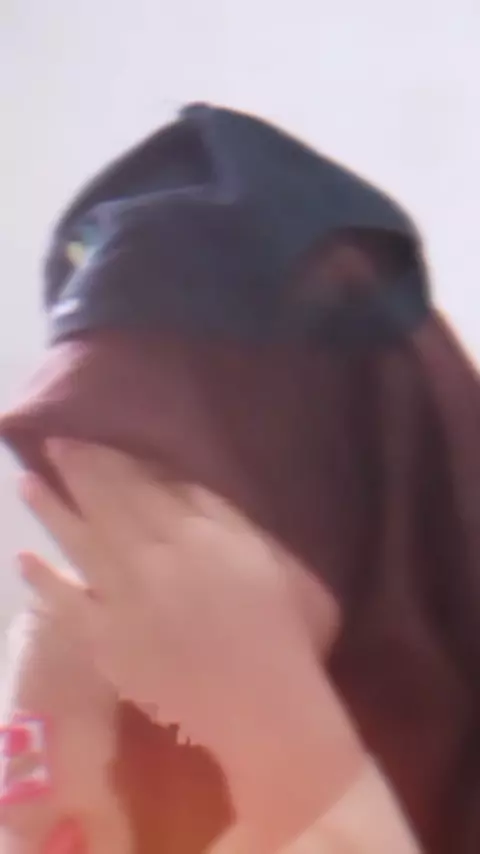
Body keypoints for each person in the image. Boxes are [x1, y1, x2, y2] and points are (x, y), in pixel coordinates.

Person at [0, 103, 479, 853]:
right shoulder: (112, 723)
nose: (122, 554)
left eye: (169, 481)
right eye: (79, 493)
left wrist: (299, 772)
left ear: (357, 491)